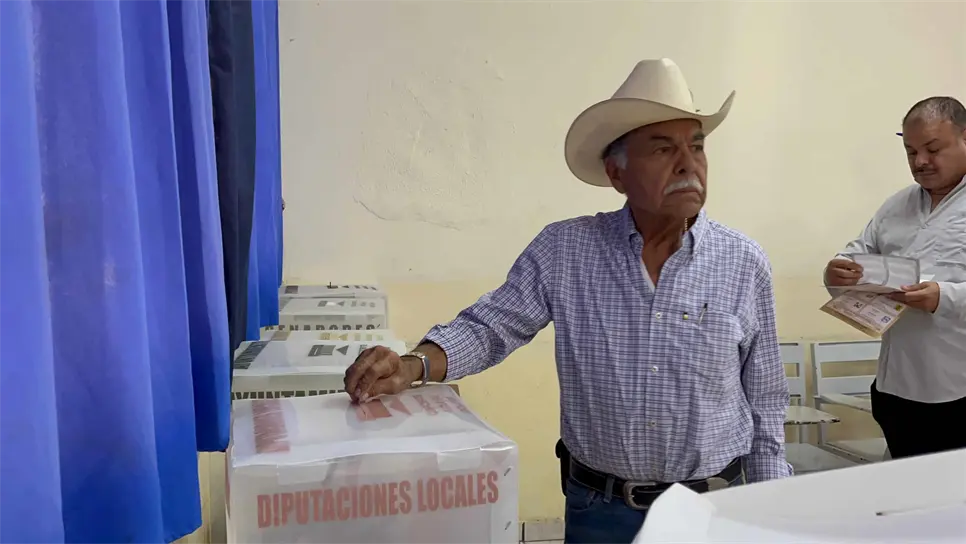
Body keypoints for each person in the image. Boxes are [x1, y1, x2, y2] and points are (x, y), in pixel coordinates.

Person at [344, 58, 791, 544]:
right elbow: (491, 327)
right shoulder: (566, 250)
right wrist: (413, 366)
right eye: (663, 149)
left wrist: (770, 508)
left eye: (697, 146)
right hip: (601, 512)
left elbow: (765, 400)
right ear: (616, 173)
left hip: (714, 510)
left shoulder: (744, 263)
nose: (688, 163)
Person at [824, 96, 966, 459]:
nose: (920, 162)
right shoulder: (896, 206)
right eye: (910, 151)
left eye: (933, 149)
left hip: (959, 389)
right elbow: (857, 252)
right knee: (909, 500)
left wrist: (943, 297)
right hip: (897, 388)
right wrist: (837, 271)